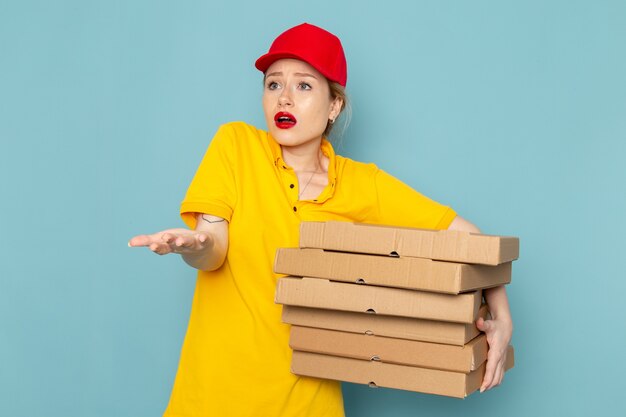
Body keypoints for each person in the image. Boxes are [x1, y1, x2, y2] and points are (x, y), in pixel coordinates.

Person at [129, 23, 513, 417]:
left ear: (334, 106)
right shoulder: (235, 146)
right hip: (211, 400)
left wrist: (502, 317)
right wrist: (195, 245)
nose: (285, 99)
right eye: (273, 84)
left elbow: (470, 239)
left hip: (309, 405)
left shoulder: (362, 185)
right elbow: (213, 248)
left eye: (304, 86)